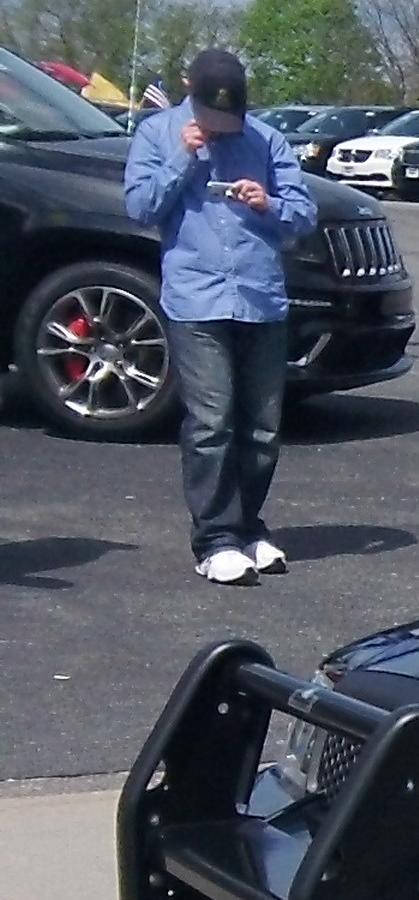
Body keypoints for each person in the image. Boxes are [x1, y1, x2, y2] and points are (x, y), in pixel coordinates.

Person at [120, 49, 316, 586]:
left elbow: (303, 214)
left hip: (260, 296)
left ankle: (249, 527)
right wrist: (181, 161)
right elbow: (139, 207)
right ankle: (214, 540)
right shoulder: (158, 133)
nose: (223, 130)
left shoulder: (267, 140)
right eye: (213, 119)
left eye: (231, 120)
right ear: (192, 94)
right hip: (196, 296)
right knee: (212, 420)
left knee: (262, 424)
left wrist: (268, 203)